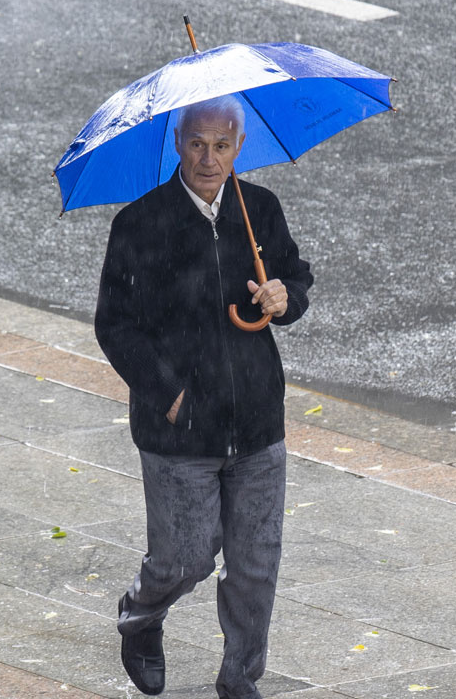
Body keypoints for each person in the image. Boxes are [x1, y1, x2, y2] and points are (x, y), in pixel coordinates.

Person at [94, 95, 313, 699]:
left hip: (257, 421)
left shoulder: (260, 210)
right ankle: (140, 619)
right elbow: (114, 325)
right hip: (179, 430)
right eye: (197, 143)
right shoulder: (139, 223)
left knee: (255, 562)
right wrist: (167, 394)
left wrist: (284, 298)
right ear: (178, 143)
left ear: (240, 147)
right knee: (185, 559)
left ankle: (240, 675)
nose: (209, 158)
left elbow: (296, 275)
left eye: (222, 145)